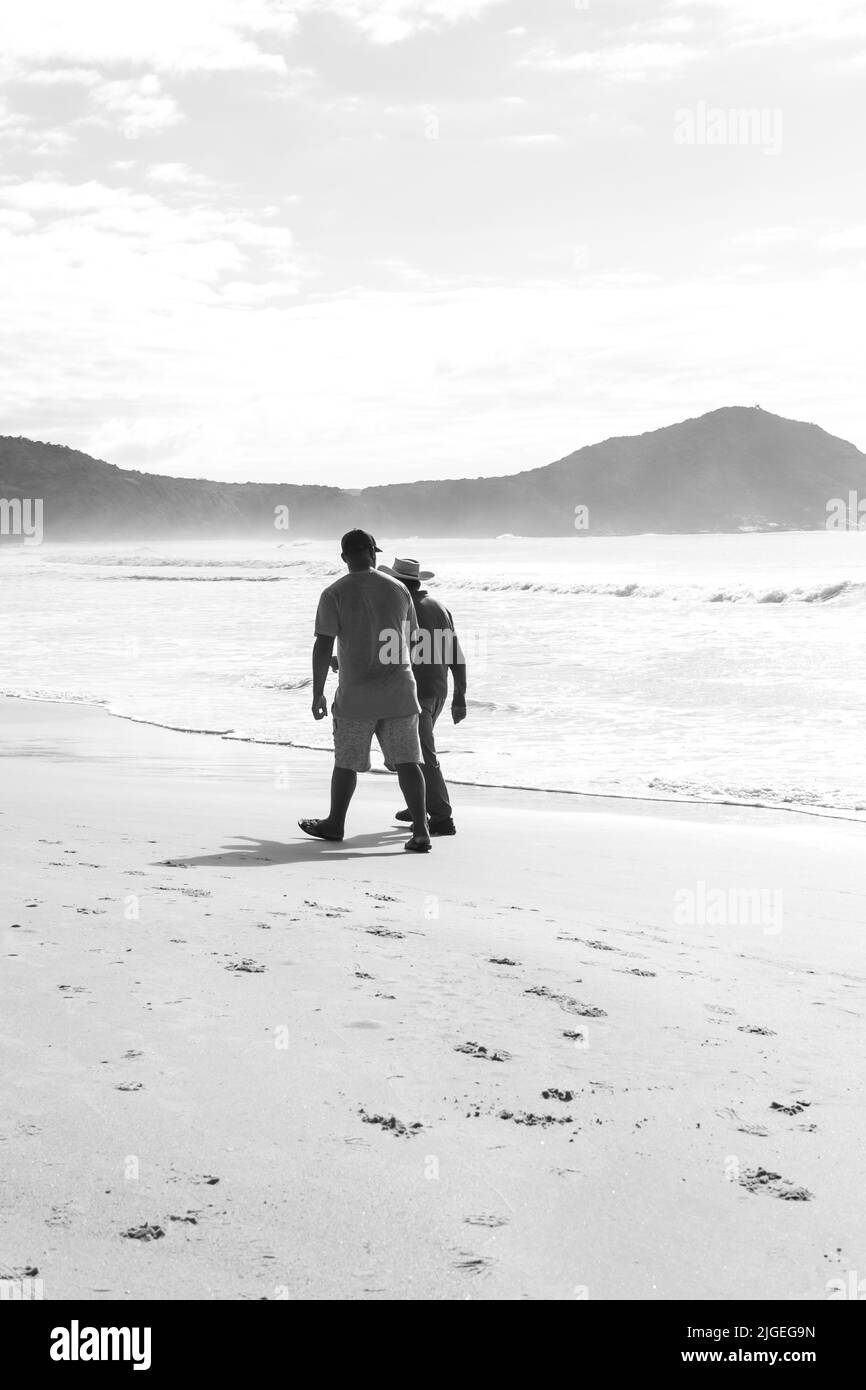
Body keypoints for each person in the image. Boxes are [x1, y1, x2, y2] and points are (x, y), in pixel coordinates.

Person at [298, 530, 431, 853]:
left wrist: (318, 692)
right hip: (399, 691)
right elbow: (410, 638)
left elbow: (323, 644)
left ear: (344, 557)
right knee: (408, 762)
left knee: (346, 762)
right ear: (374, 554)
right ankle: (422, 831)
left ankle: (335, 824)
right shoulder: (399, 589)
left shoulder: (334, 593)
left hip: (357, 695)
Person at [378, 556, 467, 837]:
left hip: (413, 692)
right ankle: (419, 803)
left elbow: (387, 654)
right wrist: (460, 696)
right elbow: (456, 655)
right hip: (438, 690)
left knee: (422, 755)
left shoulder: (400, 607)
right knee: (411, 751)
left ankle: (441, 816)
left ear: (398, 583)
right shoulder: (440, 607)